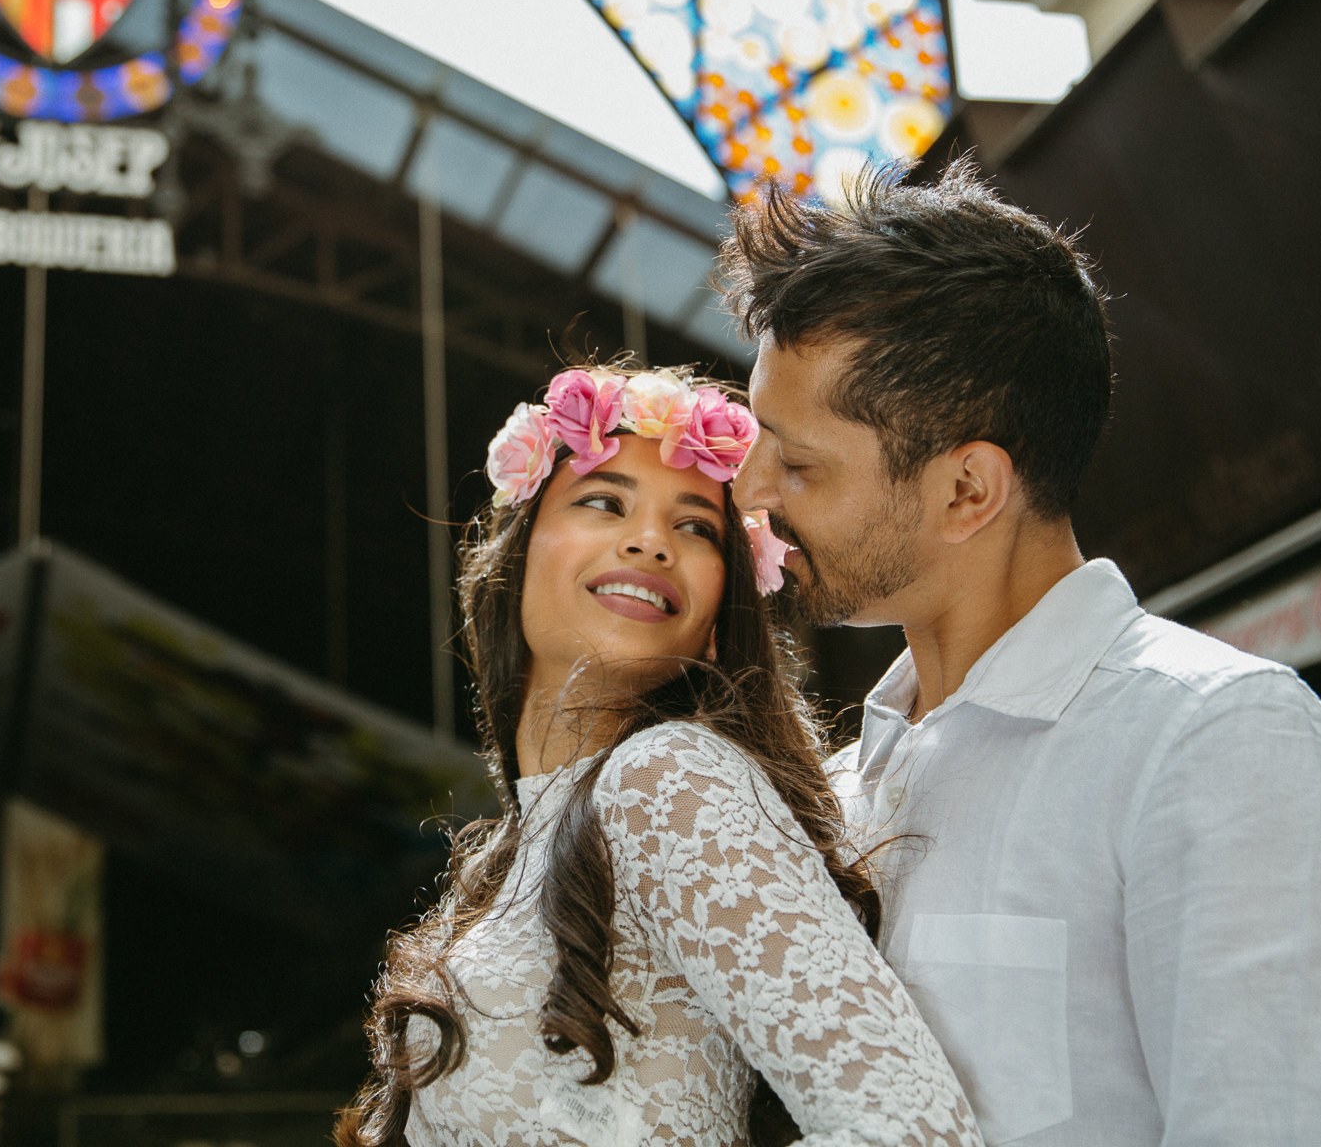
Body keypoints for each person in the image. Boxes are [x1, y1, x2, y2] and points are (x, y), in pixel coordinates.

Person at [722, 158, 1321, 1147]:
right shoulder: (840, 784)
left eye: (797, 462)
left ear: (967, 491)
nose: (749, 491)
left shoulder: (1215, 746)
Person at [337, 363, 981, 1147]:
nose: (649, 541)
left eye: (696, 528)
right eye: (605, 502)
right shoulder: (503, 866)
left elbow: (910, 1131)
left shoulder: (670, 779)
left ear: (715, 617)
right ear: (519, 556)